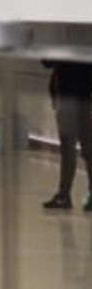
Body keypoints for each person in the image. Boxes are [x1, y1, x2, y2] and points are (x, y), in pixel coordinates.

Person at [43, 60, 92, 210]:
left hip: (69, 94)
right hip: (85, 95)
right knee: (88, 148)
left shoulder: (65, 39)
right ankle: (65, 195)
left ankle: (64, 196)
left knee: (69, 148)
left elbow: (47, 61)